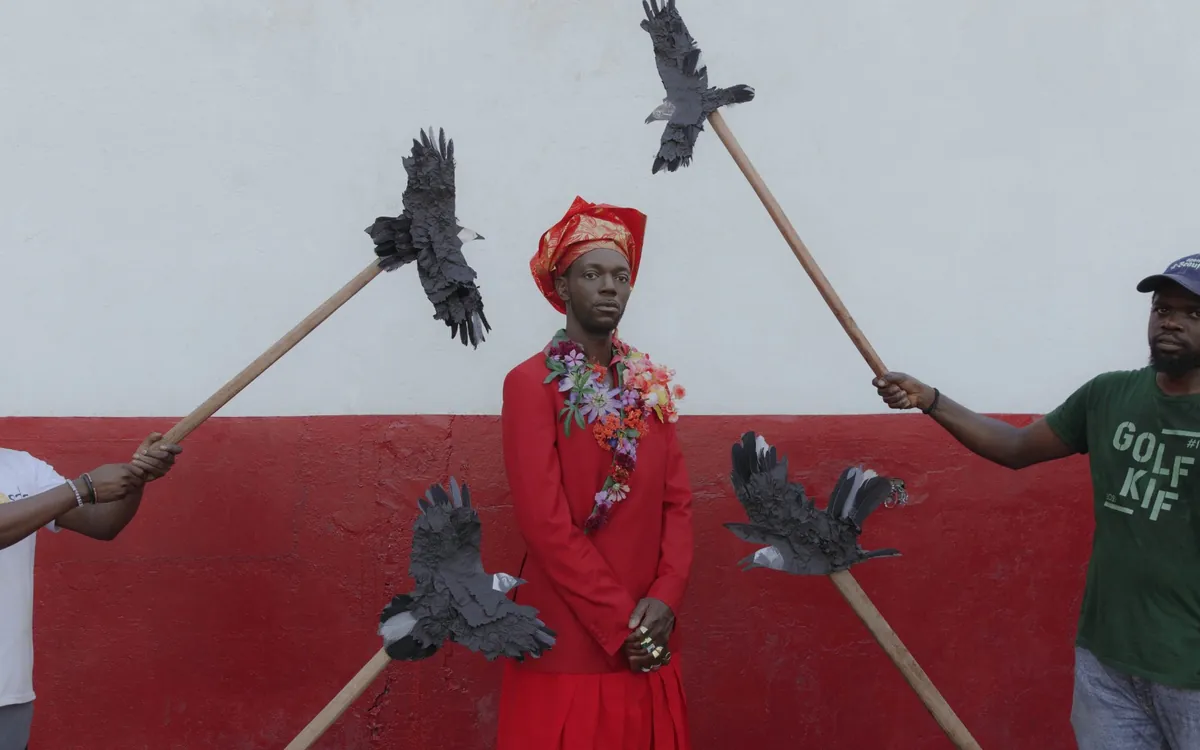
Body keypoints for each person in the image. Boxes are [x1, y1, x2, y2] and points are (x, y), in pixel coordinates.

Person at [874, 254, 1200, 749]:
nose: (1170, 320)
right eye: (1162, 307)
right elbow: (1015, 447)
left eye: (1192, 312)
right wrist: (931, 400)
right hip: (1107, 663)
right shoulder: (1109, 395)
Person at [496, 196, 694, 750]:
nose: (610, 287)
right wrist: (619, 620)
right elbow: (545, 524)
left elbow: (677, 504)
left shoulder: (647, 383)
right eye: (592, 274)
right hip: (571, 636)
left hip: (651, 631)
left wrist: (666, 600)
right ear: (562, 287)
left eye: (621, 275)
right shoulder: (530, 384)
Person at [0, 433, 181, 750]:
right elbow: (79, 493)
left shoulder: (21, 467)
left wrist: (137, 476)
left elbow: (102, 524)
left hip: (9, 690)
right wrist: (80, 488)